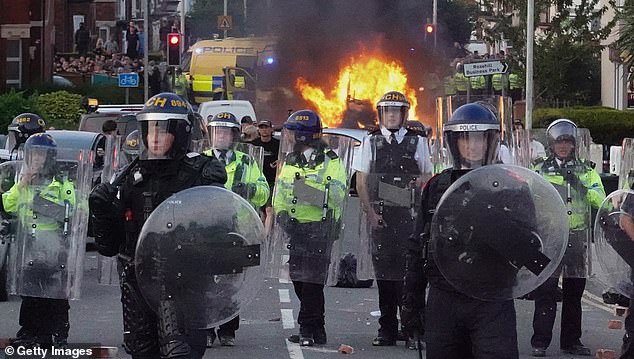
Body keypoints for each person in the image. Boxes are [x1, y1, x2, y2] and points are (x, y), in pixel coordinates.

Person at [89, 92, 227, 359]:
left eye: (162, 130)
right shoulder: (131, 176)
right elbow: (110, 246)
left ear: (180, 134)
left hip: (183, 282)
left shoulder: (199, 171)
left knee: (180, 351)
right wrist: (103, 210)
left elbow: (217, 231)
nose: (154, 137)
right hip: (138, 283)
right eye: (150, 128)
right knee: (142, 351)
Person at [402, 103, 520, 358]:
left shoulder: (511, 186)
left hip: (492, 298)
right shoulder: (436, 187)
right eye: (465, 139)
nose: (473, 146)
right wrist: (411, 301)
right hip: (445, 298)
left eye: (479, 138)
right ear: (454, 143)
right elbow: (418, 245)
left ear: (491, 141)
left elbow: (530, 245)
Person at [355, 91, 432, 348]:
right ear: (380, 115)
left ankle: (412, 330)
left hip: (409, 217)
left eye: (395, 111)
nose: (391, 115)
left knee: (411, 275)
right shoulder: (371, 141)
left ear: (403, 114)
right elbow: (362, 180)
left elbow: (427, 175)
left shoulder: (416, 141)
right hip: (382, 218)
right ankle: (387, 328)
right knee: (385, 276)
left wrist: (417, 193)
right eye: (386, 111)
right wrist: (370, 213)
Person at [273, 110, 349, 346]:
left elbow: (337, 193)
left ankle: (306, 328)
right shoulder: (291, 160)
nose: (290, 137)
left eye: (294, 133)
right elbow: (282, 190)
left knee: (312, 282)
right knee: (298, 279)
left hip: (320, 228)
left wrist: (303, 191)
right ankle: (319, 327)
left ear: (304, 136)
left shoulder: (331, 159)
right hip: (296, 229)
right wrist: (281, 213)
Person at [530, 119, 605, 356]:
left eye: (567, 141)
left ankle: (571, 341)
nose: (563, 146)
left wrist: (580, 186)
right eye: (559, 141)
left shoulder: (587, 170)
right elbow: (529, 197)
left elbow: (600, 200)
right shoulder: (540, 169)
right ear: (552, 144)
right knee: (546, 290)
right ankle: (540, 342)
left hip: (577, 238)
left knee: (574, 292)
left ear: (573, 145)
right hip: (550, 238)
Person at [202, 111, 270, 347]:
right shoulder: (200, 159)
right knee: (206, 281)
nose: (220, 135)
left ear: (233, 135)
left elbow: (264, 193)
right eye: (216, 131)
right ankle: (207, 328)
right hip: (208, 231)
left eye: (225, 131)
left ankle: (228, 329)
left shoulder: (247, 162)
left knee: (232, 282)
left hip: (237, 230)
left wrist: (248, 189)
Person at [4, 133, 75, 347]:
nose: (37, 159)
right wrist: (22, 185)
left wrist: (44, 205)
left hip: (54, 245)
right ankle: (31, 332)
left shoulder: (62, 183)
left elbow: (76, 211)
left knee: (54, 293)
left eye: (41, 155)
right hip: (30, 245)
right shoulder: (22, 182)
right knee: (30, 291)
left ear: (49, 157)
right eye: (33, 154)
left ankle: (57, 333)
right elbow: (8, 205)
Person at [251, 120, 280, 231]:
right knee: (260, 211)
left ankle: (266, 238)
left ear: (271, 129)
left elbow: (284, 158)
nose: (264, 130)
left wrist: (279, 162)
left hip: (272, 181)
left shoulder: (278, 144)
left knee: (269, 210)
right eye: (261, 127)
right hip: (258, 180)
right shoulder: (254, 144)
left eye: (266, 127)